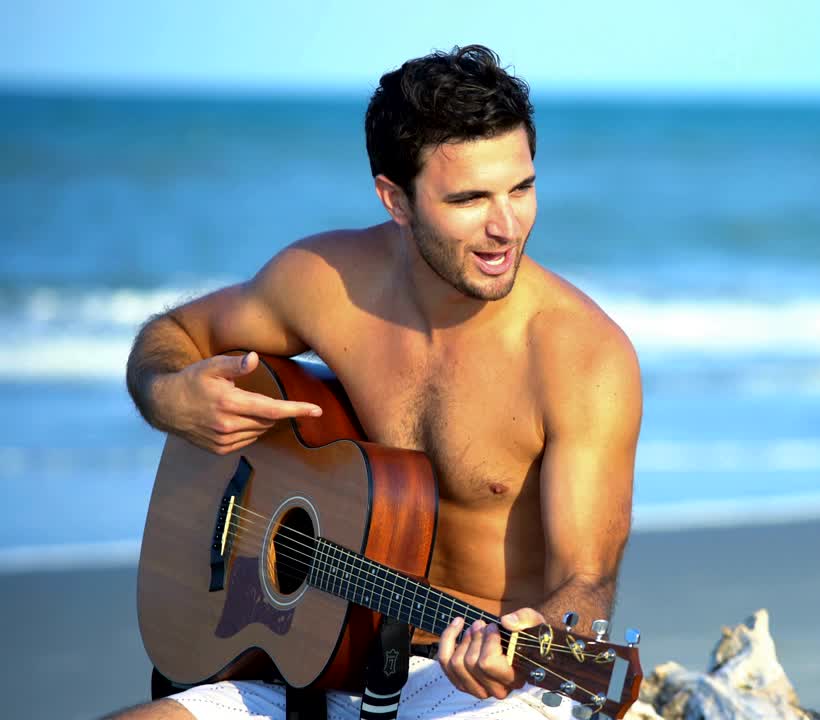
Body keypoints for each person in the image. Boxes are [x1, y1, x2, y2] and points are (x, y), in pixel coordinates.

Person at [110, 44, 642, 720]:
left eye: (521, 187)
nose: (505, 226)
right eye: (469, 198)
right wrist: (168, 395)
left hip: (481, 685)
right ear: (395, 198)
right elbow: (171, 336)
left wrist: (548, 633)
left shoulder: (583, 357)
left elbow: (586, 582)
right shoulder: (329, 282)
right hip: (303, 654)